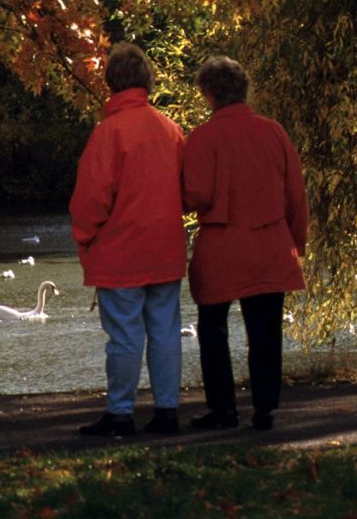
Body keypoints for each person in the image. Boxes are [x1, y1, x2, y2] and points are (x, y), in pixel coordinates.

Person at [182, 55, 308, 431]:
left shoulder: (203, 138)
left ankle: (223, 409)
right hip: (269, 243)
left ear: (208, 94)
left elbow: (195, 195)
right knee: (266, 331)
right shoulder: (274, 132)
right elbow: (295, 197)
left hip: (220, 244)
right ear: (244, 90)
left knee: (213, 329)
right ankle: (265, 407)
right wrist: (296, 247)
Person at [69, 42, 187, 437]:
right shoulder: (170, 130)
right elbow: (188, 189)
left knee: (124, 334)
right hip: (165, 247)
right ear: (147, 81)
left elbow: (91, 199)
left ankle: (121, 412)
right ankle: (167, 410)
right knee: (166, 331)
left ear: (111, 83)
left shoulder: (109, 134)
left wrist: (86, 240)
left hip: (121, 252)